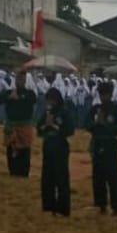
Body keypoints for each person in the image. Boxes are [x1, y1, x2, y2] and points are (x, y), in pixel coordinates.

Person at [86, 82, 117, 215]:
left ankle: (116, 205)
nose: (104, 97)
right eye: (101, 94)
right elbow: (86, 124)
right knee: (98, 176)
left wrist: (105, 125)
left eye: (106, 94)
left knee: (113, 176)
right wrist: (95, 123)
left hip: (110, 144)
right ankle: (101, 204)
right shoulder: (95, 109)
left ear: (110, 94)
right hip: (97, 143)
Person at [37, 87, 72, 217]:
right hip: (48, 146)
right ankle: (48, 206)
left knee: (61, 178)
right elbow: (39, 129)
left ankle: (62, 207)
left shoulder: (64, 113)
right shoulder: (47, 113)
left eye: (52, 100)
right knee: (47, 177)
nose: (50, 103)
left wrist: (55, 126)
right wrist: (46, 125)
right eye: (48, 100)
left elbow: (70, 130)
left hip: (60, 147)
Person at [0, 71, 37, 178]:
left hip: (24, 127)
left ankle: (24, 172)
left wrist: (19, 99)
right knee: (11, 149)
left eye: (21, 79)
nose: (19, 81)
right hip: (11, 126)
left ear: (25, 81)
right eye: (17, 79)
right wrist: (9, 97)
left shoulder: (30, 93)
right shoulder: (9, 92)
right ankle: (12, 171)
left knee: (24, 150)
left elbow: (33, 100)